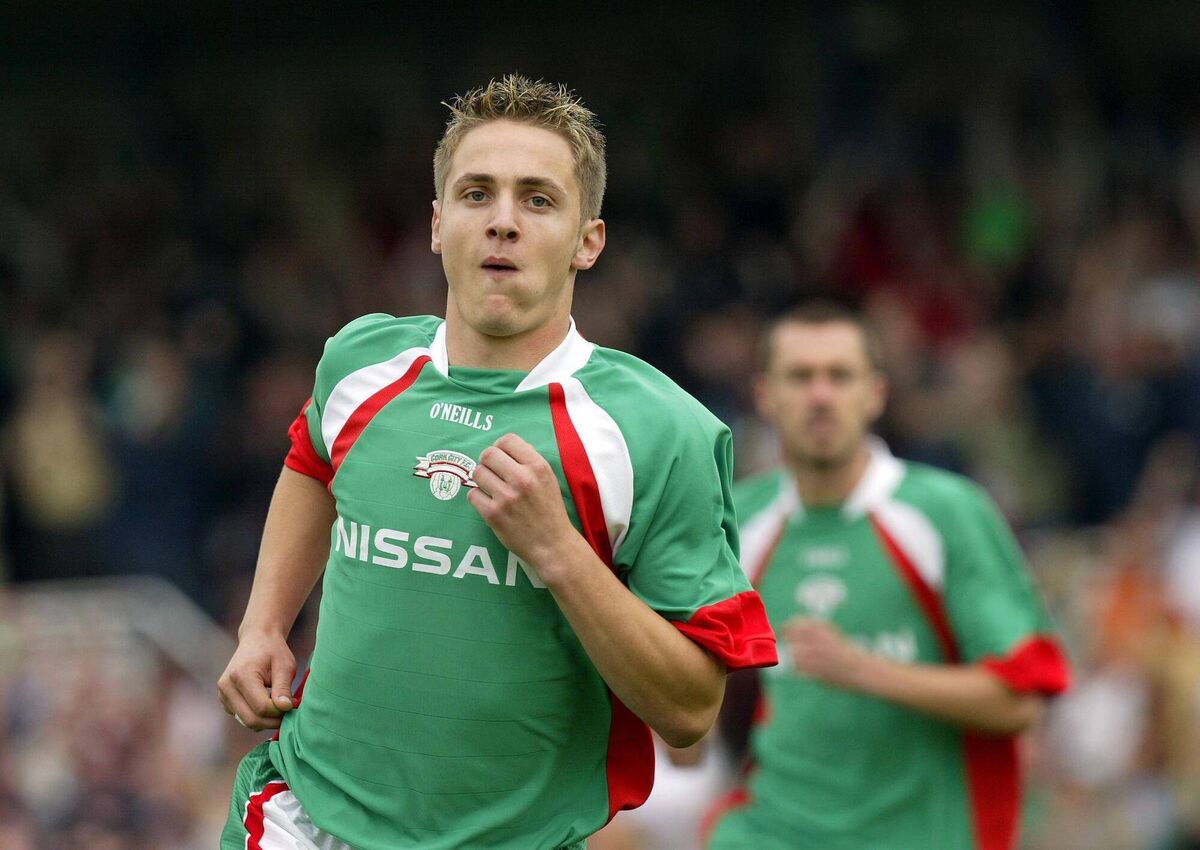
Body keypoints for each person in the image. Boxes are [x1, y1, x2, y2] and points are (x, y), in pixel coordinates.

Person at [216, 75, 777, 850]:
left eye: (538, 200)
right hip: (302, 819)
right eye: (477, 195)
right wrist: (262, 626)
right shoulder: (360, 363)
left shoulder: (659, 431)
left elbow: (689, 710)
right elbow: (311, 462)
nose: (503, 222)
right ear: (440, 225)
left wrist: (560, 555)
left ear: (589, 240)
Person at [705, 302, 1071, 850]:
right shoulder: (737, 520)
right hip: (772, 830)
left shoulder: (945, 513)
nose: (821, 395)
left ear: (875, 393)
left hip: (921, 833)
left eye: (840, 375)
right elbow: (692, 709)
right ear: (765, 395)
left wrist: (863, 669)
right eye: (801, 377)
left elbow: (1020, 701)